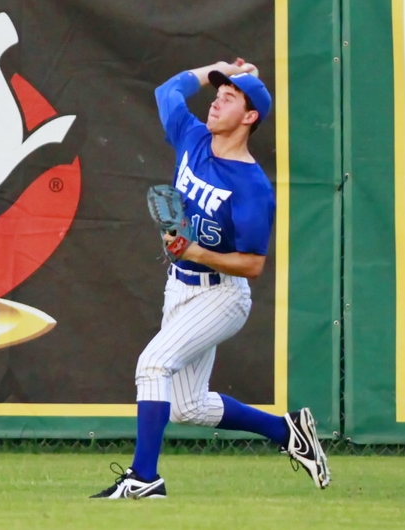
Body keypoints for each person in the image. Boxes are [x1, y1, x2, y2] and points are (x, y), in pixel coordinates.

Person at [90, 59, 330, 499]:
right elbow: (167, 91)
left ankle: (144, 479)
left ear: (251, 116)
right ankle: (288, 431)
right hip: (179, 286)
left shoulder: (252, 187)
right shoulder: (193, 137)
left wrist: (196, 250)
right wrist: (216, 69)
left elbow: (253, 264)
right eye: (215, 95)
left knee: (153, 364)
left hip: (222, 297)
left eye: (228, 98)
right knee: (187, 405)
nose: (215, 103)